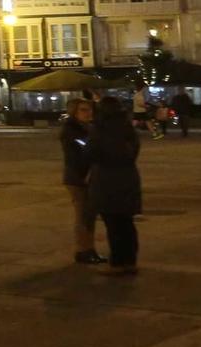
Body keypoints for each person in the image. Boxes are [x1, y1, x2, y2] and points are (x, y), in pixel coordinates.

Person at [86, 96, 141, 275]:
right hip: (128, 177)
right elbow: (135, 149)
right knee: (127, 223)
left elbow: (91, 152)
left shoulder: (99, 128)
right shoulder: (127, 126)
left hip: (106, 179)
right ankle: (130, 261)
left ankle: (117, 263)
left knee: (113, 224)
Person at [58, 98, 104, 266]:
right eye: (83, 110)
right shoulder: (71, 129)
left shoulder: (87, 127)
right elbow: (86, 148)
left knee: (89, 215)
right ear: (74, 112)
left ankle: (89, 249)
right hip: (77, 177)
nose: (88, 113)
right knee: (83, 215)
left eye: (89, 109)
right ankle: (83, 250)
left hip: (87, 175)